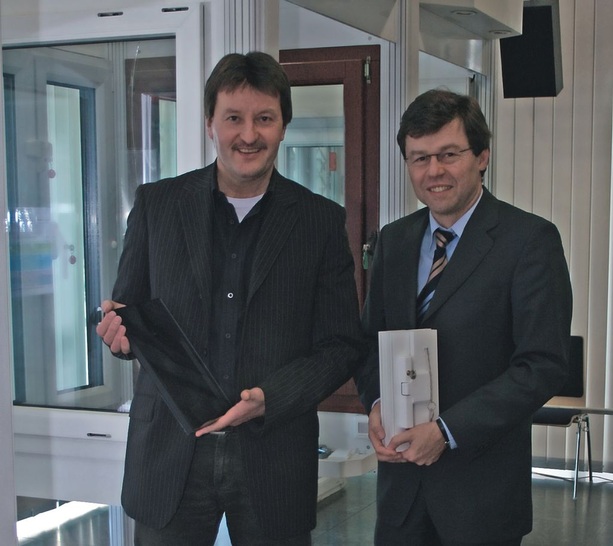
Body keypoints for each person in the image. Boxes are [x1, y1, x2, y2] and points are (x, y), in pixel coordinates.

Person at [96, 51, 364, 546]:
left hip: (274, 454)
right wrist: (119, 337)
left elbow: (341, 345)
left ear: (283, 126)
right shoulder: (157, 205)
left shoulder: (320, 222)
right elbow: (130, 315)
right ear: (209, 125)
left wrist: (270, 399)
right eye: (233, 118)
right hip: (168, 456)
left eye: (264, 119)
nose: (248, 135)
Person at [355, 89, 573, 546]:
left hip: (482, 499)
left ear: (483, 157)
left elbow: (542, 364)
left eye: (448, 154)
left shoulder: (530, 241)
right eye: (419, 158)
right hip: (401, 497)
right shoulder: (393, 242)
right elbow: (370, 343)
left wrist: (447, 431)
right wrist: (376, 403)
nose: (433, 171)